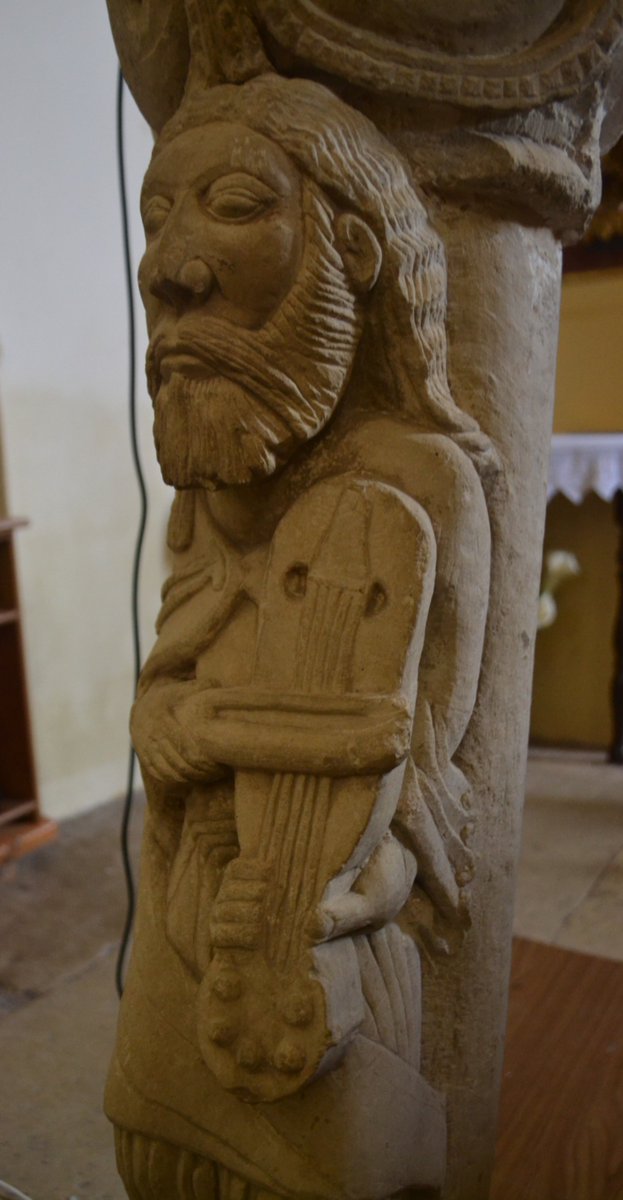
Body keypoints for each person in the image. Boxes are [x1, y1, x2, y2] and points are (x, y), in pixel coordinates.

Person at [107, 73, 493, 1200]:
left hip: (316, 922)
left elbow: (422, 763)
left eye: (231, 203)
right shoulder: (204, 488)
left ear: (355, 254)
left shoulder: (420, 482)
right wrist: (164, 722)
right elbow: (169, 677)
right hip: (192, 910)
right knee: (163, 1158)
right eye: (155, 217)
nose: (168, 266)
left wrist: (323, 898)